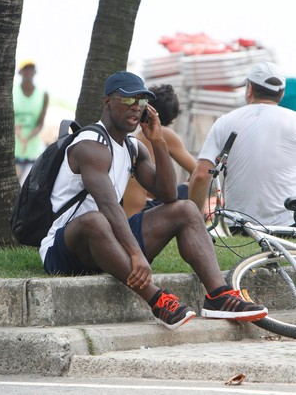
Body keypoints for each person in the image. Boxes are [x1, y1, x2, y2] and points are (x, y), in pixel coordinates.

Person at [39, 71, 267, 330]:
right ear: (107, 102)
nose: (136, 107)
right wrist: (135, 253)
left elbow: (168, 195)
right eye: (127, 100)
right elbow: (108, 205)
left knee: (185, 209)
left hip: (109, 242)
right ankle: (158, 300)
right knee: (96, 220)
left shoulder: (133, 147)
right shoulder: (90, 144)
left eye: (142, 102)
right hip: (66, 249)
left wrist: (158, 141)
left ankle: (219, 296)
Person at [189, 61, 296, 227]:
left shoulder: (225, 121)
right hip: (287, 228)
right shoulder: (294, 121)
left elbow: (201, 175)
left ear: (250, 89)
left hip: (239, 227)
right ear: (281, 93)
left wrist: (194, 223)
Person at [123, 84, 197, 217]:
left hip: (133, 208)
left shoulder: (138, 134)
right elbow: (197, 171)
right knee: (189, 186)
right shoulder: (164, 134)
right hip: (141, 211)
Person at [13, 59, 49, 185]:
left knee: (28, 185)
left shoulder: (43, 94)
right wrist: (17, 132)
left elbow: (40, 123)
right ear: (20, 72)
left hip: (32, 146)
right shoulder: (11, 92)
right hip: (13, 143)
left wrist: (28, 137)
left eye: (31, 69)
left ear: (35, 72)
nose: (28, 72)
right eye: (25, 69)